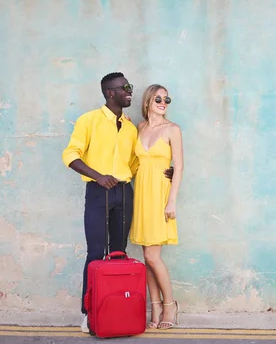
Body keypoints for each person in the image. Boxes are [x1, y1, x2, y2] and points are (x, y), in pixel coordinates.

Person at [61, 72, 172, 333]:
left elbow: (138, 162)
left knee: (119, 253)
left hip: (124, 193)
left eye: (129, 87)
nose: (129, 91)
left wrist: (169, 170)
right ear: (110, 93)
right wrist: (98, 177)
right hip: (99, 193)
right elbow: (70, 154)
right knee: (95, 253)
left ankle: (115, 311)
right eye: (124, 88)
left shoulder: (132, 127)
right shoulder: (89, 120)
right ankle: (89, 312)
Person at [129, 84, 184, 330]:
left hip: (160, 193)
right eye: (159, 98)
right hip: (141, 193)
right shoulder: (139, 127)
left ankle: (170, 304)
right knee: (146, 256)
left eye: (167, 99)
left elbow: (179, 167)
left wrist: (171, 200)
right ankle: (155, 304)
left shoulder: (172, 129)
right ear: (148, 101)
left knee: (153, 255)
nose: (164, 102)